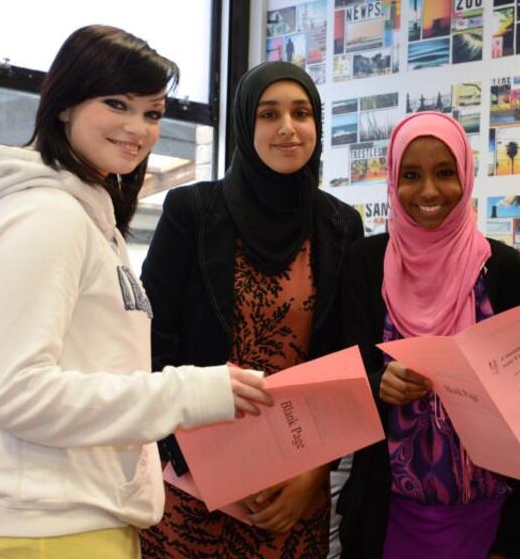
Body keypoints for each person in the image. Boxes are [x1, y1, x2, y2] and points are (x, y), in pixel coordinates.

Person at [0, 25, 271, 557]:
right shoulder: (47, 217)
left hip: (79, 523)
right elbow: (21, 395)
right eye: (117, 104)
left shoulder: (88, 217)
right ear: (64, 105)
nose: (138, 128)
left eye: (152, 112)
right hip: (46, 532)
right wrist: (186, 393)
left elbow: (97, 375)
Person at [138, 61, 363, 558]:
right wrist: (210, 468)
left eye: (301, 113)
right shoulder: (191, 213)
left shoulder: (340, 225)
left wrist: (316, 470)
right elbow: (151, 343)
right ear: (246, 124)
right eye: (269, 114)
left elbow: (347, 360)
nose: (288, 127)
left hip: (293, 486)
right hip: (193, 486)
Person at [337, 111, 520, 559]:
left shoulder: (505, 272)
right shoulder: (364, 265)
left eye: (445, 173)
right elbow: (345, 376)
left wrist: (510, 536)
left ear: (466, 175)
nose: (428, 191)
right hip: (385, 517)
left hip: (486, 516)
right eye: (411, 175)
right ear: (392, 179)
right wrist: (378, 384)